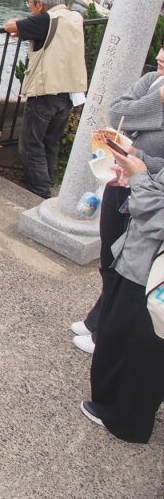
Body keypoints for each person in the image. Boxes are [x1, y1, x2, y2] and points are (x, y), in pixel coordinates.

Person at [71, 47, 164, 354]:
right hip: (118, 181)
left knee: (127, 265)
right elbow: (118, 110)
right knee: (110, 256)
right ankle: (100, 319)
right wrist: (159, 99)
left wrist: (139, 157)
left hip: (148, 193)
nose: (161, 55)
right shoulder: (152, 80)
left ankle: (105, 333)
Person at [81, 151, 164, 443]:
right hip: (146, 265)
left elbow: (157, 216)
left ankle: (125, 419)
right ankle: (125, 413)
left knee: (139, 346)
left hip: (150, 272)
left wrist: (140, 176)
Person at [4, 0, 87, 199]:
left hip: (45, 91)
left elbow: (11, 25)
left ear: (40, 5)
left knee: (32, 144)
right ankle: (48, 182)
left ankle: (40, 192)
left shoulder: (46, 20)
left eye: (30, 4)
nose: (29, 7)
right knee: (51, 141)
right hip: (68, 92)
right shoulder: (74, 17)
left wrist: (21, 25)